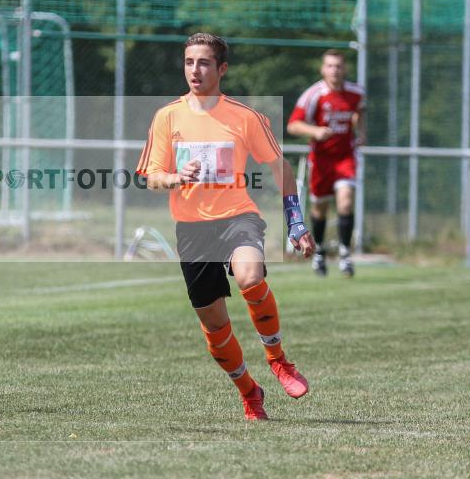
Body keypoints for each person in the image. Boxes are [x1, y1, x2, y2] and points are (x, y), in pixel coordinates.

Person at [136, 33, 316, 421]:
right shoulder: (167, 116)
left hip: (238, 217)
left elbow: (281, 168)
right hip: (192, 230)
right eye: (188, 62)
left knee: (250, 277)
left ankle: (279, 359)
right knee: (214, 325)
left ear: (222, 69)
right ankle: (250, 392)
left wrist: (296, 222)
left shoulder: (246, 117)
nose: (194, 70)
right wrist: (176, 177)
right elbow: (150, 177)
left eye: (203, 62)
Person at [287, 49, 365, 277]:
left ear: (345, 69)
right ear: (323, 69)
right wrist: (315, 131)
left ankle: (345, 255)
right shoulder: (313, 94)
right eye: (330, 66)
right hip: (321, 161)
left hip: (345, 158)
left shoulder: (356, 93)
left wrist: (362, 131)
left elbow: (361, 112)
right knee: (319, 209)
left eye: (338, 66)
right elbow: (293, 125)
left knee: (345, 202)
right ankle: (319, 252)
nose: (334, 70)